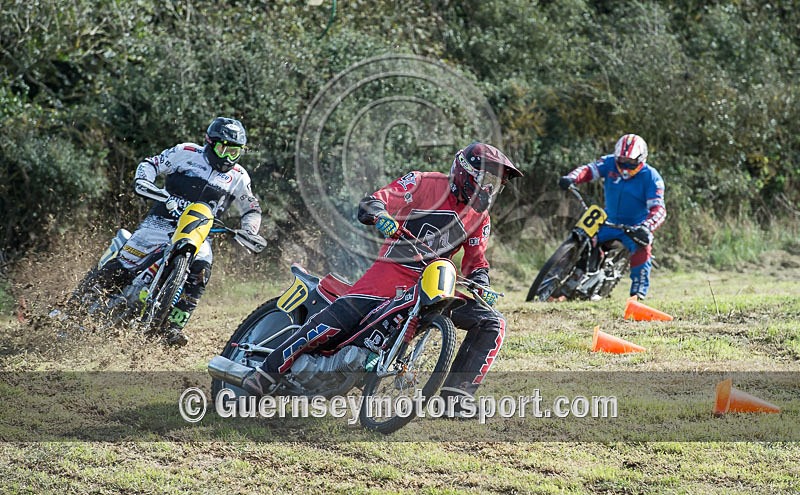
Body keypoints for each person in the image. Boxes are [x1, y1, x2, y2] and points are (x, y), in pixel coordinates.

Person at [242, 142, 523, 409]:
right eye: (487, 179)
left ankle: (457, 398)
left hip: (434, 284)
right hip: (389, 275)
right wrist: (380, 215)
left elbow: (476, 263)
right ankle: (266, 373)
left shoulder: (480, 216)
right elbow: (374, 202)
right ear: (466, 172)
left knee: (492, 322)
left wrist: (482, 284)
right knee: (336, 322)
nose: (490, 188)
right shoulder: (424, 182)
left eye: (496, 183)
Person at [93, 117, 263, 346]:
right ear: (209, 143)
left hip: (199, 231)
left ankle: (173, 328)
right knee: (124, 263)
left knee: (201, 273)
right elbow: (150, 164)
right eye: (223, 149)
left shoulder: (239, 177)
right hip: (162, 221)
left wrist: (249, 230)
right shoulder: (185, 152)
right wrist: (144, 181)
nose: (227, 157)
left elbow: (251, 207)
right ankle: (77, 303)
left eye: (234, 152)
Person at [558, 133, 666, 299]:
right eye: (622, 161)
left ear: (641, 159)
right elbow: (589, 170)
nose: (625, 166)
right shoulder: (609, 163)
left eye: (631, 162)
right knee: (583, 236)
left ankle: (637, 295)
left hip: (635, 227)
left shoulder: (651, 177)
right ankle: (574, 273)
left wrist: (647, 227)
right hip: (607, 220)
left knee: (643, 249)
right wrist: (572, 178)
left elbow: (659, 209)